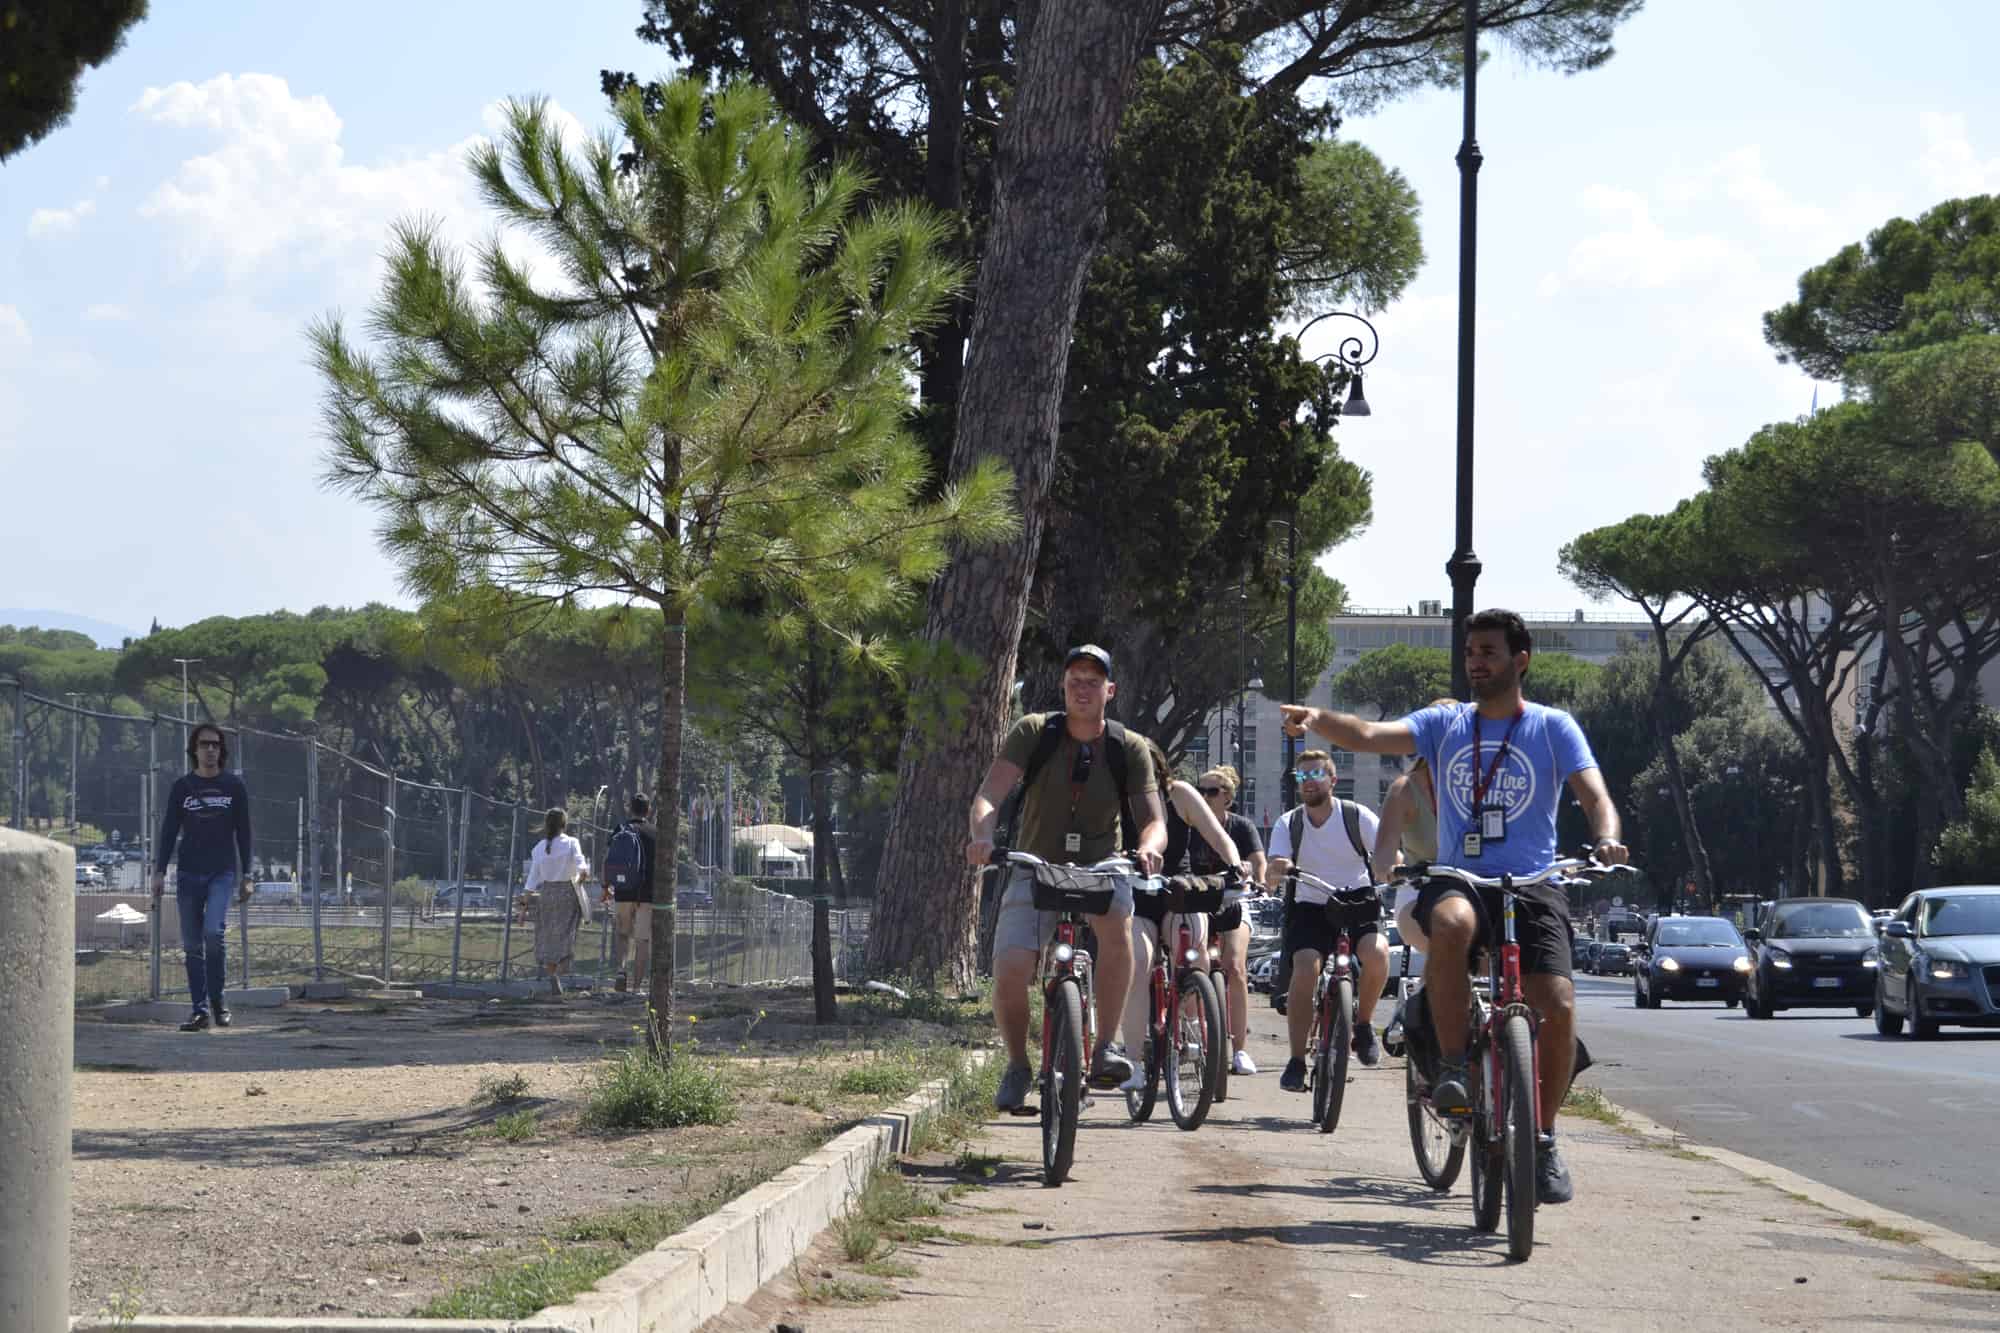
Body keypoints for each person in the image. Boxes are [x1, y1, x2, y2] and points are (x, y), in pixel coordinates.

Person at [1281, 608, 1629, 1205]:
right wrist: (1317, 720)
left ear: (1520, 660)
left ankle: (1543, 1139)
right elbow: (1369, 735)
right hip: (1459, 875)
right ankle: (1450, 1069)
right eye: (1471, 651)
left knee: (1559, 1001)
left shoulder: (1552, 727)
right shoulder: (1445, 724)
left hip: (1533, 882)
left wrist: (1605, 836)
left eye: (1489, 652)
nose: (1476, 661)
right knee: (1449, 922)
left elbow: (1595, 794)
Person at [966, 644, 1167, 1112]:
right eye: (1075, 678)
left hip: (1102, 868)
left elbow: (1153, 820)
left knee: (1119, 929)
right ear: (1062, 685)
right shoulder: (1034, 731)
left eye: (1093, 681)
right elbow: (989, 796)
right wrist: (982, 835)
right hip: (1033, 864)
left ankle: (1105, 1048)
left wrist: (1148, 849)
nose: (1083, 687)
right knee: (1012, 970)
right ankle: (1018, 1064)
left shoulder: (1128, 746)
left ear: (1109, 691)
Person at [1123, 743, 1257, 1089]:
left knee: (1195, 953)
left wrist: (1234, 866)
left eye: (1149, 768)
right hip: (1135, 895)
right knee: (1137, 965)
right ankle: (1134, 1062)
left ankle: (1197, 1021)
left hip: (1178, 891)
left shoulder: (1181, 795)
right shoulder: (1116, 796)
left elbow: (1219, 837)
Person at [1266, 750, 1386, 1089]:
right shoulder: (1290, 823)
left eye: (1315, 774)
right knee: (1305, 968)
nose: (1307, 782)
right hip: (1312, 905)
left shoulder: (1356, 816)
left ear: (1333, 780)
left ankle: (1362, 1026)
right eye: (1301, 777)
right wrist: (1279, 868)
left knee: (1377, 954)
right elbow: (1276, 860)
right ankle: (1296, 1061)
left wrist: (1392, 866)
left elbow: (1386, 851)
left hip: (1358, 901)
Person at [150, 722, 253, 1032]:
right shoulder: (182, 788)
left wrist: (248, 874)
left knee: (213, 934)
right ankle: (200, 1010)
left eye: (215, 745)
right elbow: (169, 831)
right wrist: (158, 871)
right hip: (188, 874)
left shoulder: (233, 786)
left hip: (222, 872)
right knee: (193, 945)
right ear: (194, 750)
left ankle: (219, 1002)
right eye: (204, 744)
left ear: (221, 751)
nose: (210, 749)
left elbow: (244, 832)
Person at [1189, 765, 1267, 1074]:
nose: (1203, 797)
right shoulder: (1187, 824)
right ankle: (1191, 1032)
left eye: (1211, 791)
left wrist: (1258, 879)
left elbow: (1258, 861)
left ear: (1228, 798)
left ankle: (1240, 1051)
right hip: (1195, 901)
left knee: (1235, 966)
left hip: (1234, 901)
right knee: (1193, 962)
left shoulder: (1241, 827)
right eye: (1200, 790)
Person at [1370, 698, 1461, 954]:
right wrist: (1387, 868)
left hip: (1477, 889)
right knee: (1446, 942)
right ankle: (1432, 992)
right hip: (1420, 892)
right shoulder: (1404, 790)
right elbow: (1383, 857)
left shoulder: (1484, 784)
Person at [526, 807, 591, 996]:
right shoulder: (571, 843)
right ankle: (564, 964)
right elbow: (581, 865)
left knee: (547, 933)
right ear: (564, 824)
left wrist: (525, 900)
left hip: (546, 893)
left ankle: (552, 973)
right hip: (567, 893)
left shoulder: (538, 848)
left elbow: (533, 878)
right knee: (567, 931)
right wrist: (582, 875)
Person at [601, 794, 658, 995]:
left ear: (630, 809)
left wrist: (605, 886)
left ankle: (621, 970)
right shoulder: (655, 832)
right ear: (648, 809)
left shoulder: (621, 829)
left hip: (623, 891)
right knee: (642, 940)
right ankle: (636, 987)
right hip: (647, 894)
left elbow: (608, 860)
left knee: (622, 934)